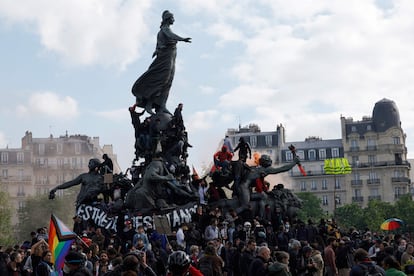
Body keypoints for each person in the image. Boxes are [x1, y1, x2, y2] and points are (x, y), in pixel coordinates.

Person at [132, 10, 191, 115]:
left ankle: (162, 105)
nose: (174, 19)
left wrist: (156, 50)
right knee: (162, 80)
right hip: (165, 58)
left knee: (168, 82)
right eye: (172, 17)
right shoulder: (165, 29)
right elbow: (171, 35)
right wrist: (182, 39)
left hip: (171, 58)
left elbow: (159, 43)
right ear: (168, 18)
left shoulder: (164, 30)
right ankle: (149, 104)